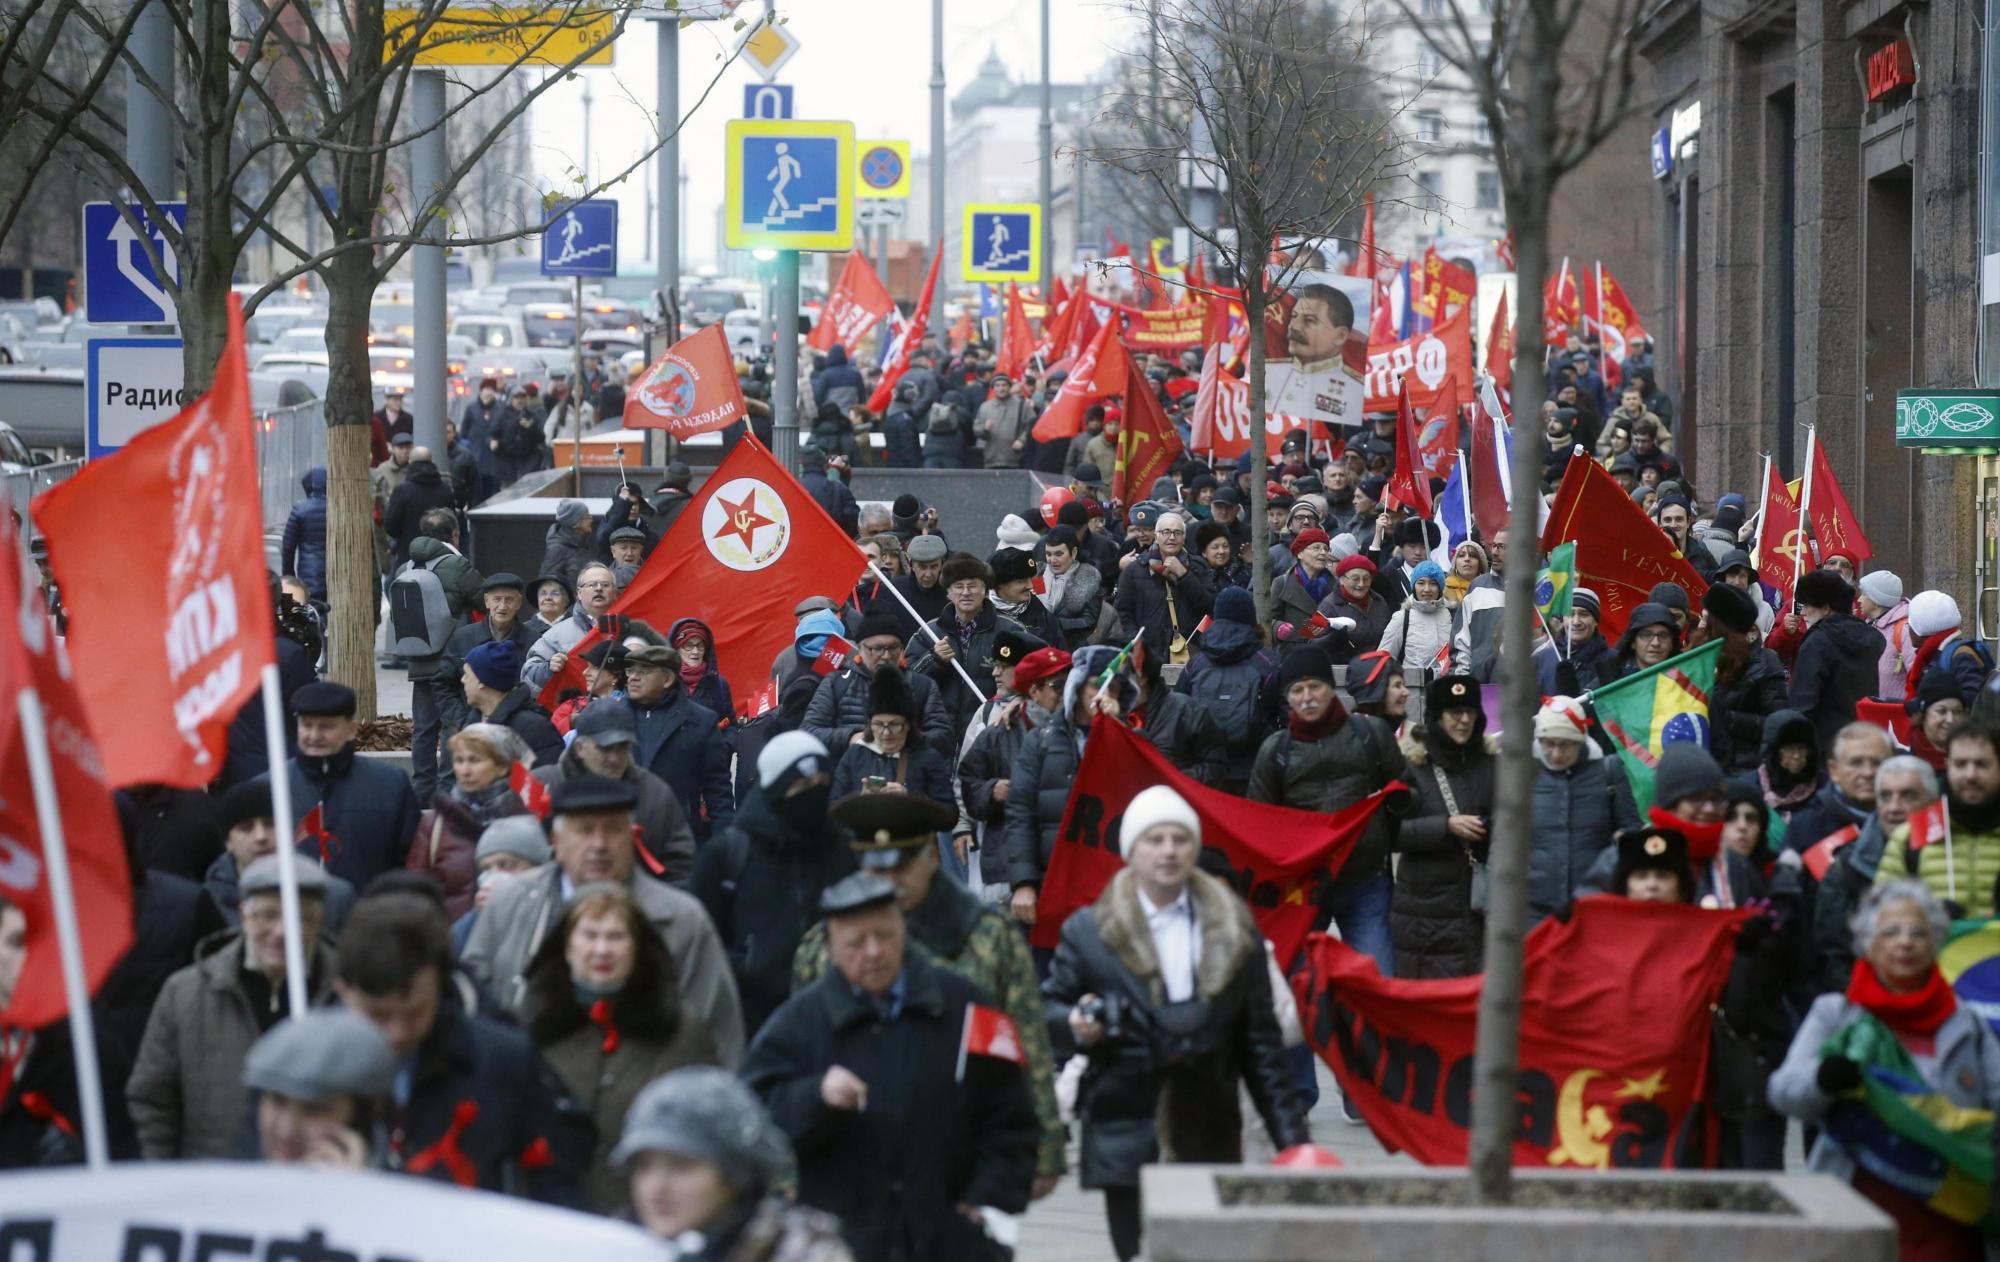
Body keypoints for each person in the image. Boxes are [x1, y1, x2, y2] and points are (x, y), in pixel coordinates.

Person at [1042, 786, 1307, 1262]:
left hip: (1209, 1126)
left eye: (1180, 839)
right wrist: (1077, 1024)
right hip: (1125, 1126)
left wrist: (1295, 1145)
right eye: (1155, 839)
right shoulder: (1090, 930)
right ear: (1131, 851)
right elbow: (1048, 1011)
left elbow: (1262, 1047)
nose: (1168, 850)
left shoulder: (1233, 929)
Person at [743, 873, 1038, 1262]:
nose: (874, 952)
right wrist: (813, 1096)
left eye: (884, 936)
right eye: (855, 943)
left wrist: (990, 1198)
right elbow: (753, 1115)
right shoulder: (800, 1021)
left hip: (952, 1238)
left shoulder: (964, 1006)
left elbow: (1011, 1116)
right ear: (830, 947)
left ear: (903, 930)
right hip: (846, 1243)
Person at [792, 793, 1067, 1196]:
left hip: (963, 1147)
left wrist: (1044, 1150)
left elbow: (1026, 1038)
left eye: (902, 868)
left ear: (930, 860)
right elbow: (801, 1055)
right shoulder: (823, 945)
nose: (888, 884)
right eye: (875, 870)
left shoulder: (986, 937)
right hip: (857, 1149)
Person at [1770, 881, 2000, 1257]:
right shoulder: (1836, 1015)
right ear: (1867, 944)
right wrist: (1822, 1078)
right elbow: (1783, 1092)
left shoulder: (1967, 1023)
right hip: (1853, 1215)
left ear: (1937, 943)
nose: (1905, 942)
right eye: (1890, 932)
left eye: (1918, 932)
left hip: (1951, 1217)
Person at [461, 775, 746, 1065]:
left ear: (632, 836)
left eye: (612, 830)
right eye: (584, 831)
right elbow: (472, 1008)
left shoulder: (680, 920)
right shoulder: (510, 904)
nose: (599, 845)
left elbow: (718, 1037)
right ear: (556, 842)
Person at [335, 889, 590, 1201]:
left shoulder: (502, 1061)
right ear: (343, 990)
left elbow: (556, 1176)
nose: (397, 1034)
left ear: (441, 983)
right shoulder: (303, 1067)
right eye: (378, 1016)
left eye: (415, 1012)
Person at [523, 883, 725, 1211]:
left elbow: (710, 1135)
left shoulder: (682, 1032)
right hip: (549, 1218)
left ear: (637, 948)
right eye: (590, 935)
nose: (602, 950)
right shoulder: (532, 1028)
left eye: (616, 937)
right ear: (566, 947)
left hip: (649, 1220)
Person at [127, 854, 340, 1159]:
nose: (281, 932)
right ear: (243, 915)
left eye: (299, 917)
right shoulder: (186, 992)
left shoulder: (346, 996)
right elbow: (151, 1099)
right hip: (213, 1188)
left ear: (319, 920)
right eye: (267, 915)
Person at [1247, 645, 1408, 978]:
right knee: (1304, 988)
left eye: (1314, 687)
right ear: (1287, 698)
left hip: (1366, 881)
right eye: (1297, 690)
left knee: (1377, 982)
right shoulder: (1273, 753)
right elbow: (1260, 826)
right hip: (1305, 889)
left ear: (1330, 687)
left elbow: (1406, 792)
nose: (1307, 697)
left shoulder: (1371, 734)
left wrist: (1388, 821)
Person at [691, 733, 854, 1039]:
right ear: (776, 790)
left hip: (831, 1018)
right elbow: (699, 942)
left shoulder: (842, 849)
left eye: (821, 785)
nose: (813, 795)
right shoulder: (727, 855)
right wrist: (747, 967)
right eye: (802, 786)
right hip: (747, 1021)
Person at [615, 1068, 853, 1259]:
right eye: (643, 1166)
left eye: (681, 1166)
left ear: (735, 1174)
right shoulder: (609, 1249)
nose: (656, 1188)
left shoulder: (803, 1253)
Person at [1004, 646, 1143, 931]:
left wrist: (1120, 730)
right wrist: (1024, 882)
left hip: (1112, 887)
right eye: (1097, 684)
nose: (1105, 694)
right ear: (1077, 687)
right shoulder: (1040, 741)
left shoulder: (1131, 739)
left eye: (1114, 688)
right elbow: (1021, 813)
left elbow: (1148, 787)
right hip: (1052, 881)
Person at [257, 682, 421, 892]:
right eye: (307, 725)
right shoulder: (269, 787)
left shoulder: (391, 784)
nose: (314, 736)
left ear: (351, 730)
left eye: (326, 727)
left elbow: (411, 861)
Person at [1390, 676, 1499, 979]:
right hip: (1424, 915)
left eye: (1470, 712)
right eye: (1454, 713)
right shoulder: (1411, 766)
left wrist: (1492, 827)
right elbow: (1390, 832)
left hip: (1479, 908)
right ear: (1437, 718)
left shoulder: (1493, 764)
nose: (1464, 721)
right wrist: (1444, 827)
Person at [535, 699, 698, 886]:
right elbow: (514, 853)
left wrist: (655, 908)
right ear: (579, 747)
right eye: (604, 748)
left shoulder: (655, 793)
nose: (614, 758)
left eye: (622, 747)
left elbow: (681, 865)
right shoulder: (542, 785)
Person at [1813, 756, 1941, 990]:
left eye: (1907, 795)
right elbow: (1831, 954)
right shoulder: (1846, 867)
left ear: (1931, 802)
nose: (1894, 807)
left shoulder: (1953, 856)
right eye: (1885, 796)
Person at [1527, 697, 1639, 925]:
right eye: (1548, 743)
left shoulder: (1610, 772)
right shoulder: (1521, 775)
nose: (1556, 754)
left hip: (1595, 902)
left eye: (1566, 744)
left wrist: (1624, 841)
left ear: (1582, 740)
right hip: (1533, 908)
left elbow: (1632, 829)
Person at [240, 1009, 398, 1168]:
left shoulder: (406, 1189)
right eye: (277, 1101)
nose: (286, 1130)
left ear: (360, 1122)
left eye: (314, 1110)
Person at [406, 723, 532, 921]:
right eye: (459, 760)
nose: (465, 770)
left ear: (501, 767)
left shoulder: (526, 820)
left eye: (474, 760)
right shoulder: (434, 826)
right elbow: (415, 896)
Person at [402, 509, 486, 800]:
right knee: (453, 723)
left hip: (419, 659)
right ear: (454, 534)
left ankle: (422, 789)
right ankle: (448, 790)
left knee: (423, 729)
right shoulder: (458, 565)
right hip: (453, 661)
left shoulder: (406, 567)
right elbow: (483, 598)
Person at [1875, 723, 2000, 910]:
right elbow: (1881, 915)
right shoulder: (1910, 836)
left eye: (1981, 764)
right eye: (1961, 764)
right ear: (1947, 765)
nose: (1970, 775)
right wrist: (1930, 919)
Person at [906, 551, 1029, 742]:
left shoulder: (1010, 631)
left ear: (985, 590)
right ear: (948, 592)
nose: (965, 592)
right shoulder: (929, 633)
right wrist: (934, 659)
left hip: (990, 729)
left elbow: (1031, 677)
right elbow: (907, 682)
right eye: (958, 587)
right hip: (937, 733)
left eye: (972, 586)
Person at [624, 644, 736, 843]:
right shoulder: (612, 716)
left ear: (667, 679)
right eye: (630, 670)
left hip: (679, 838)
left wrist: (723, 844)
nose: (633, 677)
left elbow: (717, 787)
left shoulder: (700, 720)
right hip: (623, 838)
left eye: (644, 671)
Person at [1175, 587, 1278, 794]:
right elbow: (1278, 711)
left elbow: (1180, 707)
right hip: (1254, 768)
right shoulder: (1267, 662)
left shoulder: (1196, 663)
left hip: (1206, 769)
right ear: (1251, 617)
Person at [825, 666, 957, 812]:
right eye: (879, 724)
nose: (886, 733)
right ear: (870, 724)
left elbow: (949, 814)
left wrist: (911, 800)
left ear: (908, 725)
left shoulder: (927, 757)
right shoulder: (855, 755)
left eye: (894, 725)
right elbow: (832, 809)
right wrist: (860, 801)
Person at [1789, 570, 1888, 753]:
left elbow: (1802, 702)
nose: (1802, 612)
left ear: (1825, 608)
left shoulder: (1817, 641)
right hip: (1866, 739)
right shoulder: (1872, 636)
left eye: (1807, 605)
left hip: (1826, 746)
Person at [442, 573, 543, 736]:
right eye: (497, 599)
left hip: (515, 731)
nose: (502, 607)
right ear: (486, 601)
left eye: (509, 600)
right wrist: (461, 721)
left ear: (519, 603)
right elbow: (443, 684)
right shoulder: (463, 637)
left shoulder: (534, 641)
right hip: (464, 728)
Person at [1115, 511, 1214, 667]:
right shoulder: (1135, 569)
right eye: (1166, 532)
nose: (1172, 537)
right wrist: (1137, 642)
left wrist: (1183, 574)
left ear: (1184, 538)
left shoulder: (1198, 567)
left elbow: (1208, 605)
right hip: (1148, 654)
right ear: (1157, 536)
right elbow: (1123, 612)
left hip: (1188, 652)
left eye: (1177, 533)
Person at [1786, 722, 1894, 860]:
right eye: (1856, 763)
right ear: (1834, 770)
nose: (1868, 773)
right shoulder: (1805, 826)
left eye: (1877, 763)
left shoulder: (1909, 818)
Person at [459, 640, 564, 769]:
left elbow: (545, 780)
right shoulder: (474, 720)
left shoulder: (533, 728)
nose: (462, 680)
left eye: (467, 675)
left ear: (482, 681)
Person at [524, 563, 619, 689]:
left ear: (615, 592)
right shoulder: (556, 634)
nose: (599, 588)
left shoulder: (631, 627)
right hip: (574, 705)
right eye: (591, 585)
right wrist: (548, 668)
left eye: (605, 585)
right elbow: (528, 674)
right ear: (579, 593)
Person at [1740, 709, 1828, 824]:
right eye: (1789, 749)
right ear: (1772, 751)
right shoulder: (1749, 789)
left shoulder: (1825, 789)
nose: (1796, 756)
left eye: (1802, 748)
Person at [382, 448, 458, 570]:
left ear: (410, 461)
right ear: (432, 461)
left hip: (408, 559)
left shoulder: (402, 491)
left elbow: (391, 527)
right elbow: (452, 524)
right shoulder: (445, 491)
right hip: (440, 561)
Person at [1380, 559, 1459, 677]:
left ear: (1440, 587)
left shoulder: (1453, 616)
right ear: (1413, 586)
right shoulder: (1402, 618)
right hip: (1411, 690)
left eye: (1433, 583)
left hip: (1446, 689)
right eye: (1421, 583)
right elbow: (1383, 659)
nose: (1426, 589)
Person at [1533, 588, 1613, 695]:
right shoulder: (1541, 658)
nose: (1576, 621)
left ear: (1595, 621)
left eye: (1584, 614)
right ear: (1563, 619)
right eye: (1570, 614)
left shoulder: (1612, 661)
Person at [1036, 525, 1103, 650]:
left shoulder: (1088, 578)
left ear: (1073, 552)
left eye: (1059, 554)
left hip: (1071, 649)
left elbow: (1089, 621)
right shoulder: (1039, 575)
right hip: (1038, 648)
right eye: (1048, 554)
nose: (1052, 560)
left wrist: (1055, 623)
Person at [1857, 570, 1914, 701]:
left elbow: (1915, 674)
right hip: (1870, 710)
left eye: (1864, 594)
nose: (1859, 599)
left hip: (1894, 714)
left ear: (1876, 600)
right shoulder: (1867, 626)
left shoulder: (1904, 630)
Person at [667, 618, 735, 721]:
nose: (695, 651)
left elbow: (731, 725)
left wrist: (725, 737)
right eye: (688, 645)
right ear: (677, 649)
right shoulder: (663, 684)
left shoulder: (719, 684)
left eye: (700, 645)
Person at [280, 468, 329, 603]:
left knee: (309, 616)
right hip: (335, 577)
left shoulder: (300, 510)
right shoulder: (337, 509)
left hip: (308, 578)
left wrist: (289, 579)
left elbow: (288, 548)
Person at [539, 499, 597, 592]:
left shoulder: (582, 545)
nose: (591, 520)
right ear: (575, 521)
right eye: (587, 517)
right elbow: (547, 584)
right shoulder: (557, 549)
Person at [976, 372, 1031, 468]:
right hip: (991, 460)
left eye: (1004, 385)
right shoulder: (985, 407)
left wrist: (1022, 440)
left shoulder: (1021, 405)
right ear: (993, 388)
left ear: (1009, 387)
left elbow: (1031, 426)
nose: (1001, 388)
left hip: (1014, 460)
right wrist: (984, 429)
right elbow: (977, 429)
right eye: (997, 385)